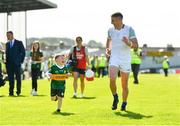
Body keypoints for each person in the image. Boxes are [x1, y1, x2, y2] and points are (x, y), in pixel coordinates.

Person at [106, 12, 138, 111]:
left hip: (125, 59)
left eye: (113, 20)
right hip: (114, 58)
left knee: (124, 85)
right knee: (112, 79)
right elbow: (108, 42)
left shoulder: (129, 29)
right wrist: (107, 50)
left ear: (119, 20)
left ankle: (124, 103)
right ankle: (115, 97)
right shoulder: (110, 30)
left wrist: (128, 43)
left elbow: (136, 46)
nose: (111, 22)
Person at [5, 31, 25, 96]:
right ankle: (11, 92)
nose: (7, 37)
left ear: (12, 35)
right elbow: (7, 54)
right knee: (10, 79)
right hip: (9, 64)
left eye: (8, 35)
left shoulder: (19, 42)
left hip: (17, 64)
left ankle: (18, 92)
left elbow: (23, 53)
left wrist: (20, 61)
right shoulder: (7, 44)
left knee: (18, 78)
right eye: (7, 35)